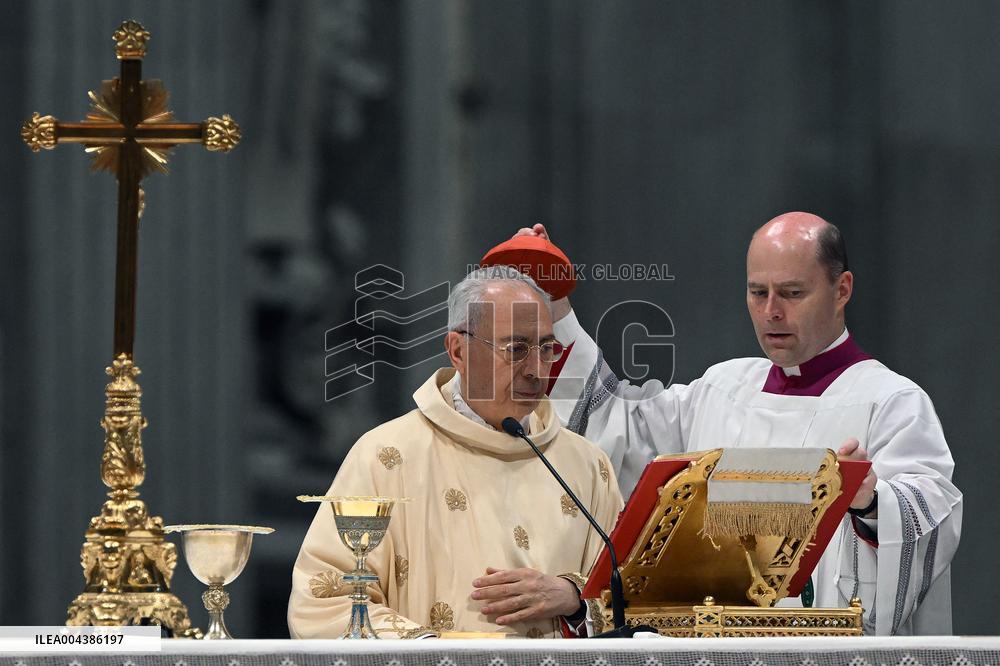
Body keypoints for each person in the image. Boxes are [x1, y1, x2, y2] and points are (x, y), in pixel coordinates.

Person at [518, 212, 962, 636]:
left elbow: (932, 523)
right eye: (757, 292)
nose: (771, 312)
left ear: (842, 289)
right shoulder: (724, 388)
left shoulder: (891, 402)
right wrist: (554, 312)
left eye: (791, 293)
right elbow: (617, 433)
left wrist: (869, 502)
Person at [288, 266, 623, 638]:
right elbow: (324, 600)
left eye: (546, 349)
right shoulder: (387, 456)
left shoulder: (587, 466)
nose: (536, 369)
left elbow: (637, 598)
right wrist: (435, 652)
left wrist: (574, 597)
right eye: (516, 349)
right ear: (459, 350)